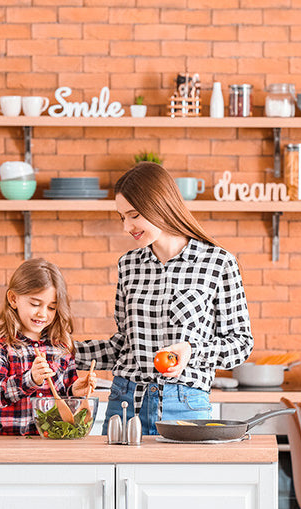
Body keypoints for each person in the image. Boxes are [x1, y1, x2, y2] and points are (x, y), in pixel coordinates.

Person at [75, 162, 254, 435]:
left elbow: (241, 344)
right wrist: (66, 351)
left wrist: (192, 352)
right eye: (122, 217)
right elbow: (123, 345)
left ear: (159, 205)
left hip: (184, 405)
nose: (127, 227)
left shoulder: (218, 262)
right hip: (124, 402)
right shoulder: (129, 265)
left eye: (133, 215)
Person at [0, 258, 96, 435]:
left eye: (51, 307)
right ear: (13, 299)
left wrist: (74, 391)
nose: (42, 313)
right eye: (35, 304)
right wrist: (29, 380)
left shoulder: (61, 347)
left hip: (55, 444)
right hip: (12, 444)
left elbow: (65, 398)